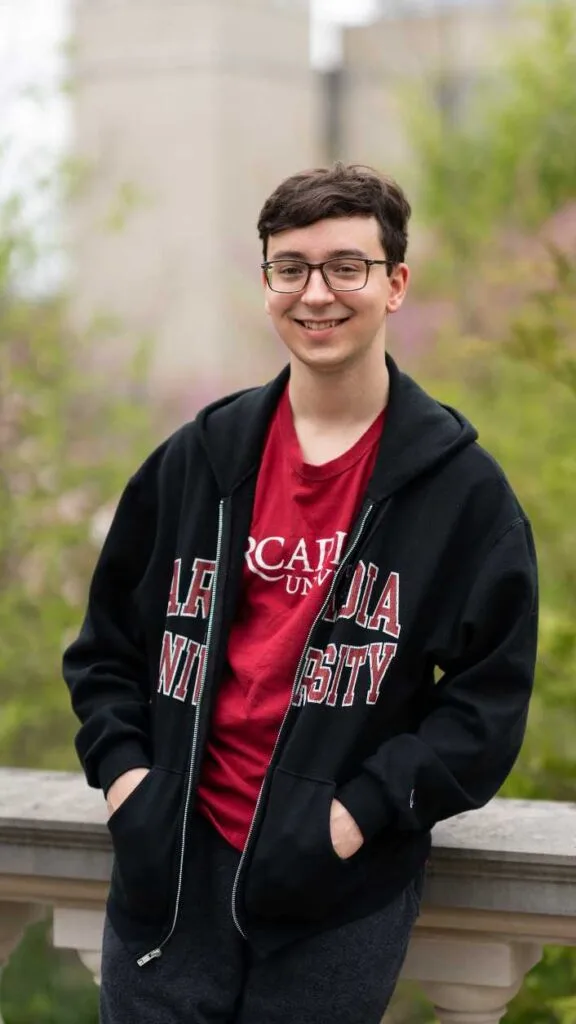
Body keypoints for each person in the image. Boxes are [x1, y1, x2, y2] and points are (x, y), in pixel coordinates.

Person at [63, 162, 538, 1024]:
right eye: (292, 268)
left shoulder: (459, 492)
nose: (317, 293)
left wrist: (357, 815)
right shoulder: (196, 462)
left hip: (333, 890)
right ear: (267, 284)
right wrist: (131, 783)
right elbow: (104, 651)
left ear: (395, 284)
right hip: (169, 871)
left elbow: (485, 707)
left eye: (346, 266)